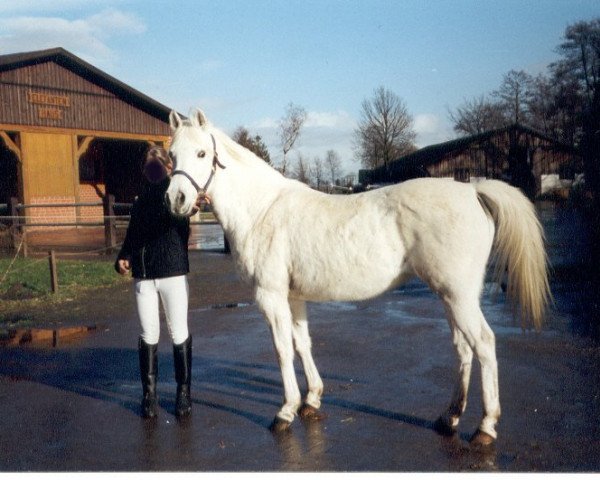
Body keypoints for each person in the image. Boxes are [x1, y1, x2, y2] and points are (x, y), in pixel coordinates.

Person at [115, 145, 195, 419]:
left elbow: (178, 217)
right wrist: (124, 255)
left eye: (158, 168)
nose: (153, 174)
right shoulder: (140, 201)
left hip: (172, 273)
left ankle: (183, 392)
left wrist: (190, 205)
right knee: (148, 335)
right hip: (144, 277)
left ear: (169, 168)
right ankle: (149, 395)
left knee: (178, 333)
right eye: (148, 169)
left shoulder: (177, 197)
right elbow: (133, 234)